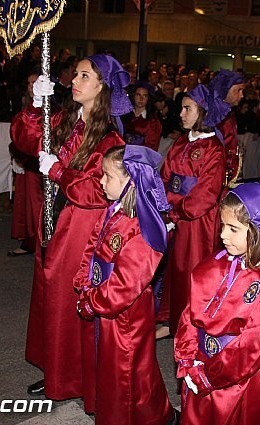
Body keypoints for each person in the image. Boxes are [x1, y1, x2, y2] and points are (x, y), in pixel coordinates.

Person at [10, 53, 131, 400]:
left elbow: (98, 191)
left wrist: (59, 172)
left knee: (68, 301)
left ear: (102, 86)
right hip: (57, 221)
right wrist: (35, 106)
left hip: (81, 228)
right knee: (50, 297)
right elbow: (25, 138)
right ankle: (56, 370)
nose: (74, 81)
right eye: (75, 75)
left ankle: (71, 378)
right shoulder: (67, 120)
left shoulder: (109, 138)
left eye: (84, 76)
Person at [72, 145, 177, 425]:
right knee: (118, 367)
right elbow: (92, 249)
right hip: (105, 302)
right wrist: (84, 282)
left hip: (125, 315)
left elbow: (125, 284)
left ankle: (140, 417)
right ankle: (150, 412)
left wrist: (93, 301)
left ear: (130, 181)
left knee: (127, 371)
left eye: (107, 176)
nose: (102, 181)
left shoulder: (143, 229)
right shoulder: (114, 212)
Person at [174, 182, 260, 425]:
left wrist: (208, 376)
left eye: (233, 229)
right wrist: (187, 358)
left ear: (258, 231)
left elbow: (251, 348)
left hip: (238, 382)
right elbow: (190, 314)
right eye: (223, 226)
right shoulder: (215, 264)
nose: (222, 235)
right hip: (200, 363)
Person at [158, 84, 226, 338]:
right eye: (182, 108)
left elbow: (205, 195)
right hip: (177, 216)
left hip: (197, 223)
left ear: (204, 112)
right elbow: (165, 178)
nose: (181, 114)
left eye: (188, 109)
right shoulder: (180, 142)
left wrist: (174, 212)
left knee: (193, 270)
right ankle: (174, 318)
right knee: (175, 269)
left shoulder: (214, 150)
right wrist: (164, 206)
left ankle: (195, 324)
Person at [8, 71, 43, 257]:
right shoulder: (23, 104)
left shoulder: (50, 107)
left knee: (37, 205)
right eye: (29, 83)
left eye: (35, 82)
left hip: (38, 164)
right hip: (25, 160)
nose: (31, 86)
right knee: (24, 204)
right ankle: (28, 239)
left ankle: (39, 241)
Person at [209, 69, 245, 187]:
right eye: (237, 90)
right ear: (225, 90)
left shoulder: (229, 113)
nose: (242, 95)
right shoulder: (214, 116)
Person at [122, 81, 162, 151]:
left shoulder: (153, 122)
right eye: (138, 95)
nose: (141, 99)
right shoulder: (124, 116)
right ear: (134, 96)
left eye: (145, 96)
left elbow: (152, 147)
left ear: (148, 98)